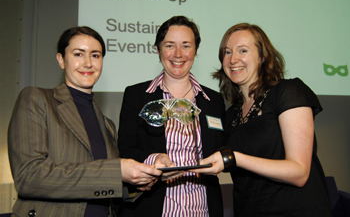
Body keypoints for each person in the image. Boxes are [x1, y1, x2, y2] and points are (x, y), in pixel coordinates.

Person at [7, 26, 161, 217]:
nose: (88, 63)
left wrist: (137, 183)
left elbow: (103, 185)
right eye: (79, 54)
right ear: (61, 60)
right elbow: (28, 176)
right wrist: (116, 172)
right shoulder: (36, 99)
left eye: (95, 55)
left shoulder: (107, 125)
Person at [190, 23, 332, 216]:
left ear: (262, 57)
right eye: (227, 52)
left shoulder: (288, 92)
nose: (233, 59)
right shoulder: (231, 114)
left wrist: (234, 158)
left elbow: (299, 172)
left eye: (243, 50)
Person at [117, 16, 226, 216]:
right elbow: (125, 149)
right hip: (151, 208)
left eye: (186, 46)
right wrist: (154, 159)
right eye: (170, 45)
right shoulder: (136, 95)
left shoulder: (214, 101)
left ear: (195, 51)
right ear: (158, 50)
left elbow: (221, 151)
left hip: (202, 209)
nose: (178, 54)